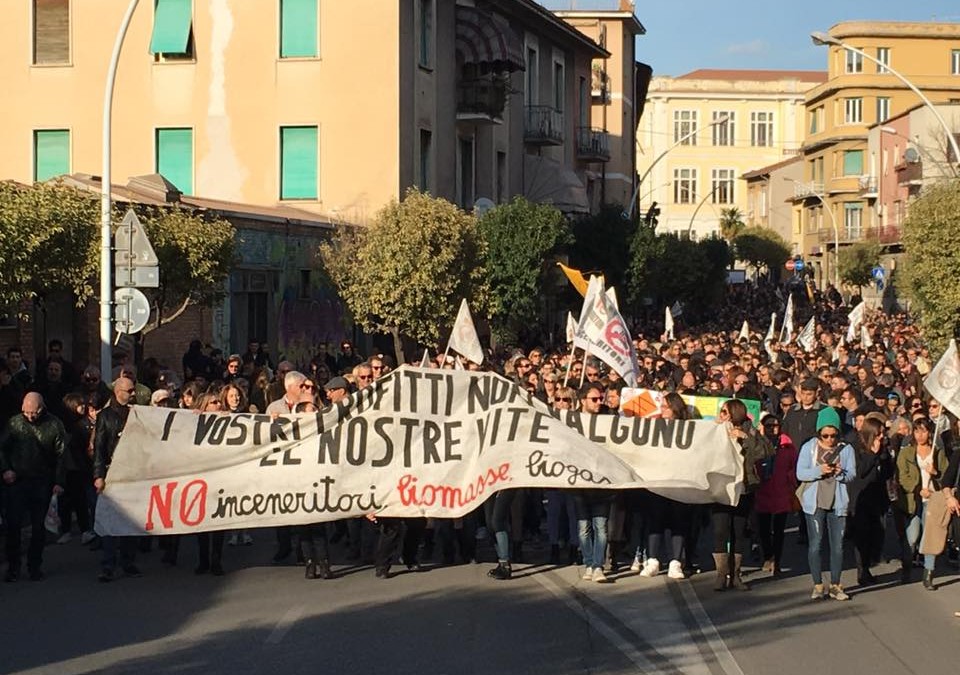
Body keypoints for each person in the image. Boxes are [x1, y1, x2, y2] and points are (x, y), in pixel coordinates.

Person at [0, 393, 67, 581]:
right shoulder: (15, 423)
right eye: (26, 412)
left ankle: (34, 565)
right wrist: (6, 469)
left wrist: (59, 482)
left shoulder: (54, 425)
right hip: (18, 481)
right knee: (13, 525)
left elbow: (61, 455)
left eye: (34, 413)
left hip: (41, 481)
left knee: (39, 527)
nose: (29, 417)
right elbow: (2, 448)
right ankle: (13, 567)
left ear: (41, 408)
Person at [712, 399, 774, 591]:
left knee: (738, 531)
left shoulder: (750, 429)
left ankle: (736, 574)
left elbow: (766, 450)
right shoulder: (715, 429)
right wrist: (716, 429)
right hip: (720, 487)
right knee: (721, 530)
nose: (722, 415)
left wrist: (744, 438)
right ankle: (721, 574)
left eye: (725, 411)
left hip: (743, 487)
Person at [795, 407, 857, 601]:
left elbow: (852, 474)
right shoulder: (809, 448)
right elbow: (800, 473)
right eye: (825, 435)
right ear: (819, 433)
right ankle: (818, 584)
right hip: (814, 501)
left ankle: (836, 585)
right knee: (816, 544)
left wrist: (839, 473)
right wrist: (819, 470)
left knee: (837, 546)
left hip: (837, 501)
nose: (830, 439)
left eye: (833, 435)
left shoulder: (846, 449)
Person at [93, 377, 140, 582]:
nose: (133, 394)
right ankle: (108, 564)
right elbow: (99, 448)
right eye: (129, 390)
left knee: (130, 520)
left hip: (133, 472)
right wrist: (98, 475)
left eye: (134, 390)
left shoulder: (136, 413)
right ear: (118, 391)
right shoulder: (105, 416)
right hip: (112, 472)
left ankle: (128, 561)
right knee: (110, 521)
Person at [894, 416, 948, 589]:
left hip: (932, 501)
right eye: (917, 431)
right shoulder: (906, 453)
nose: (920, 435)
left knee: (929, 537)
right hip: (912, 501)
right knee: (912, 537)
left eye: (923, 431)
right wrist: (917, 489)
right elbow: (902, 476)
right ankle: (907, 567)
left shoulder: (937, 453)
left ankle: (928, 574)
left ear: (929, 433)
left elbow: (947, 476)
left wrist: (936, 473)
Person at [573, 382, 614, 583]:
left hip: (601, 483)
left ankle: (598, 566)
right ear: (583, 401)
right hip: (579, 483)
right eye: (594, 399)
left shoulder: (608, 421)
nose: (599, 402)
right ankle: (588, 562)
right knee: (583, 527)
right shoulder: (572, 422)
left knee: (601, 527)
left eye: (600, 399)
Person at [754, 414, 798, 576]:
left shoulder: (787, 446)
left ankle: (777, 562)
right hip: (762, 492)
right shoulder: (756, 444)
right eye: (769, 426)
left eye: (775, 425)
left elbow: (794, 466)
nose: (772, 429)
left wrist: (791, 481)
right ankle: (768, 555)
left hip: (782, 492)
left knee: (779, 531)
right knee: (764, 530)